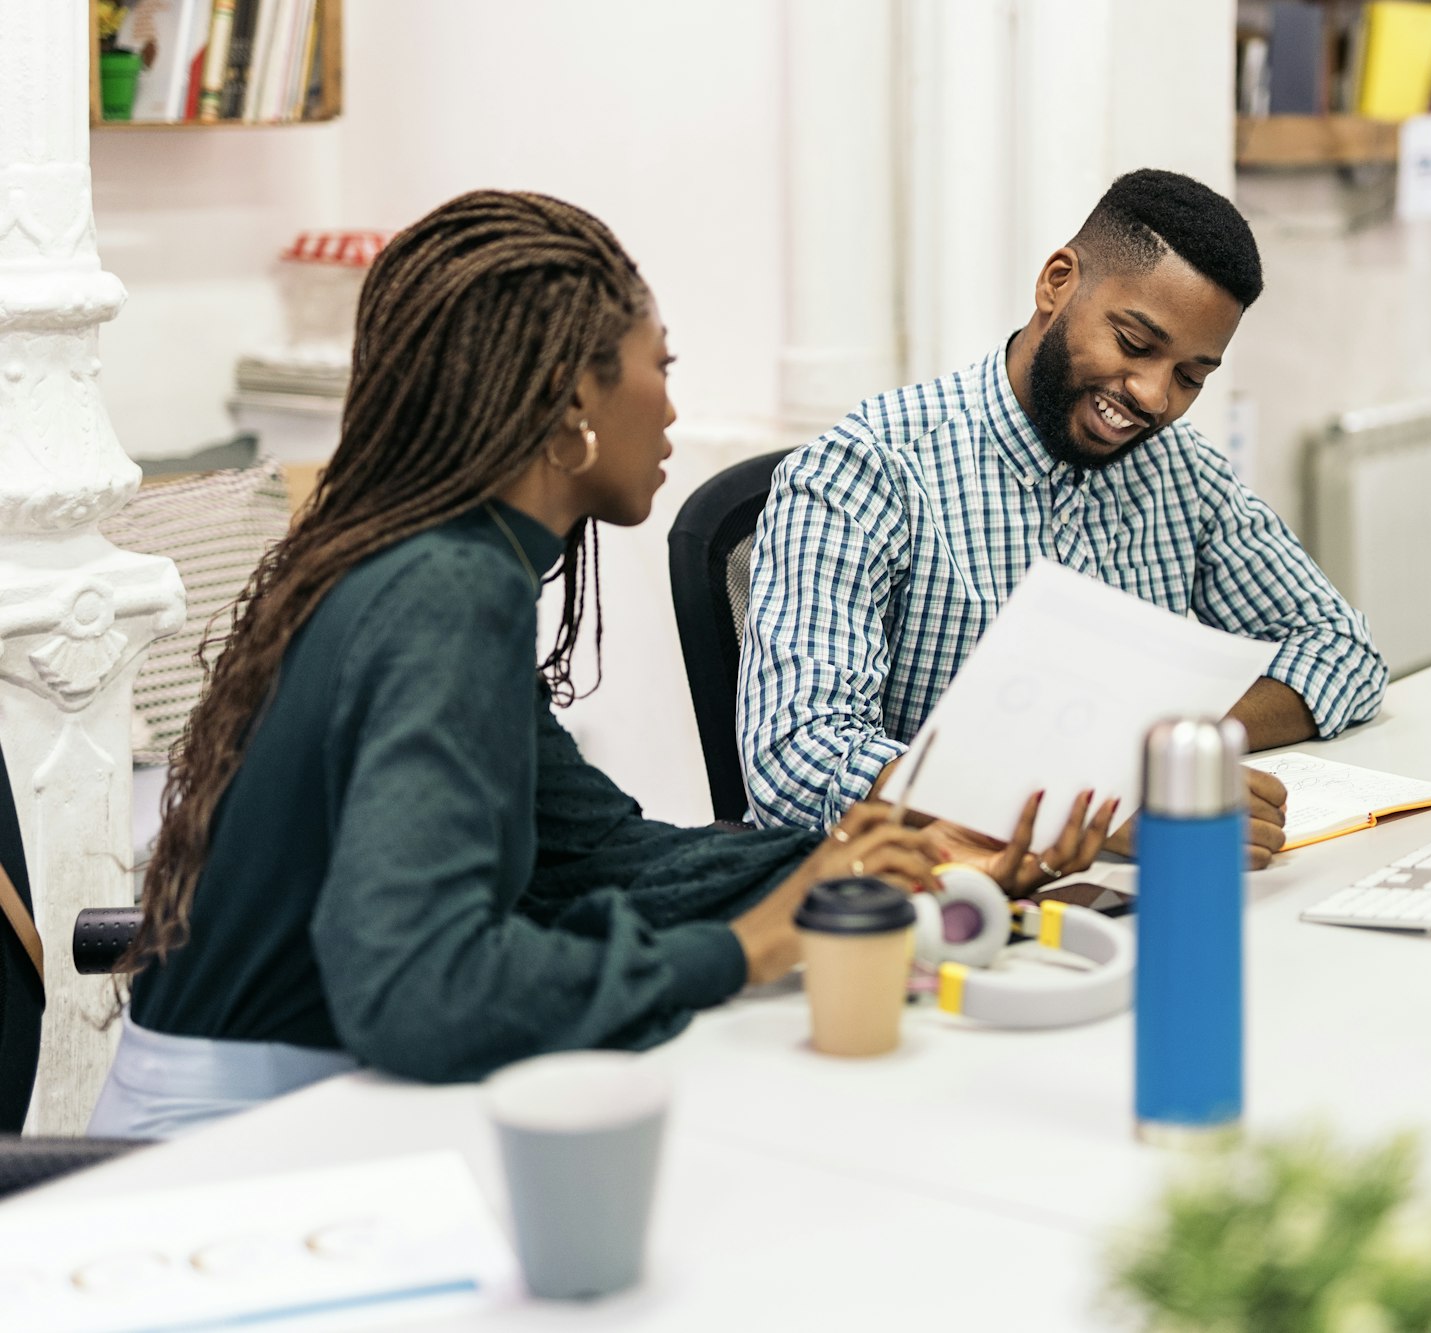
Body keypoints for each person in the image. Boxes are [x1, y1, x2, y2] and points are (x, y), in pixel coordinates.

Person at [94, 191, 1104, 1140]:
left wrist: (874, 862)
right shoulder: (447, 592)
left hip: (297, 1102)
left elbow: (604, 853)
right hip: (233, 1152)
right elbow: (419, 991)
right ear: (575, 395)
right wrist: (739, 950)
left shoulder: (439, 564)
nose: (671, 410)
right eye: (660, 365)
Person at [738, 169, 1387, 862]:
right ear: (1057, 283)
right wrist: (1089, 804)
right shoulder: (870, 468)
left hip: (1105, 892)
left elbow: (1340, 649)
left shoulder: (1181, 470)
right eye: (1134, 344)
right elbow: (798, 756)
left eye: (1190, 377)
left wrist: (1163, 756)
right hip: (920, 895)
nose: (1153, 396)